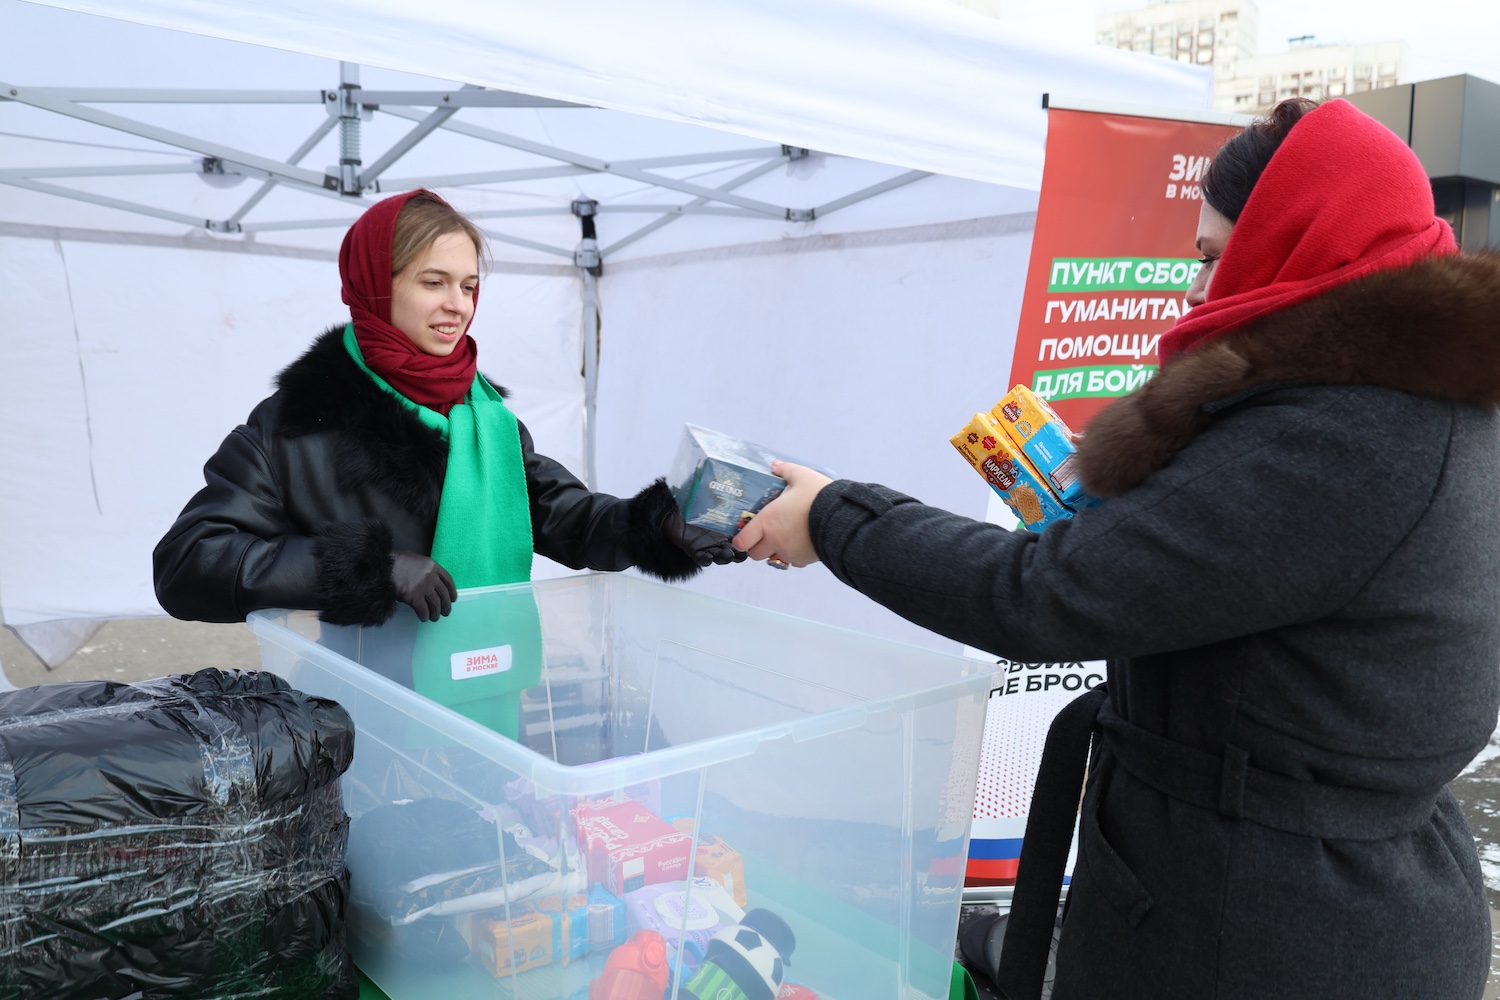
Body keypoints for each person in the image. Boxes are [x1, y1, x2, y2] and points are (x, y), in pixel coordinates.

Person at [734, 98, 1500, 1000]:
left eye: (1212, 258)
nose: (1195, 290)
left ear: (1293, 245)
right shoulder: (1414, 407)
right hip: (1310, 888)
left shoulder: (1343, 436)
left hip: (1262, 927)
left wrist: (833, 518)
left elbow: (1038, 595)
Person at [154, 188, 742, 629]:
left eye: (468, 286)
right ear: (375, 286)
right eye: (433, 282)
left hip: (486, 698)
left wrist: (657, 527)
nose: (457, 305)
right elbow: (188, 562)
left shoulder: (485, 418)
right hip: (354, 716)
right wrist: (371, 567)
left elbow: (565, 516)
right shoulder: (294, 425)